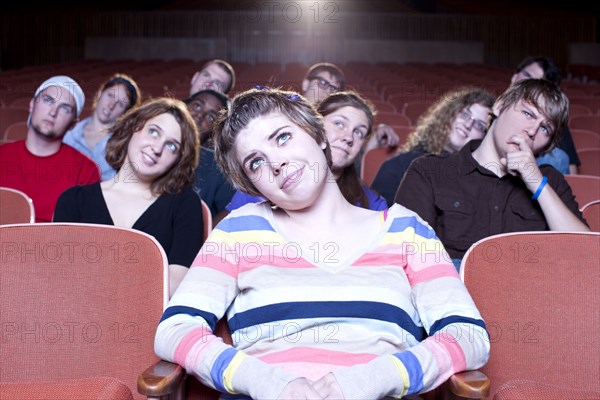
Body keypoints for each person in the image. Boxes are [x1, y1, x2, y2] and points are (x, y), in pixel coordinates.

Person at [154, 87, 490, 400]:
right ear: (253, 185)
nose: (276, 162)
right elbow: (175, 329)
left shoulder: (407, 230)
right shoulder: (238, 231)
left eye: (283, 137)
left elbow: (469, 335)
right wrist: (267, 382)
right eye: (256, 162)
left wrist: (374, 378)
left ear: (319, 137)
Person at [396, 79, 590, 267]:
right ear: (499, 106)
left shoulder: (551, 183)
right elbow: (410, 258)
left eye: (545, 128)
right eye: (528, 114)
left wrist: (538, 185)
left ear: (547, 145)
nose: (531, 131)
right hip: (448, 294)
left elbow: (585, 255)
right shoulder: (429, 171)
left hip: (524, 296)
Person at [54, 97, 203, 297]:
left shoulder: (185, 204)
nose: (157, 148)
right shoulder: (74, 200)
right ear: (134, 128)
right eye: (153, 132)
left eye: (171, 146)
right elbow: (61, 279)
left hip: (149, 322)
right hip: (78, 317)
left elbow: (175, 285)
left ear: (178, 160)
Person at [226, 90, 387, 212]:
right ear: (316, 126)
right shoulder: (264, 186)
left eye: (358, 132)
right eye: (339, 124)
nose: (348, 137)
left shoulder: (373, 204)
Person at [0, 75, 100, 222]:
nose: (53, 112)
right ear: (32, 105)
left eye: (65, 109)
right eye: (48, 101)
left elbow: (86, 233)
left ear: (73, 124)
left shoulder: (86, 171)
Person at [372, 87, 495, 206]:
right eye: (465, 114)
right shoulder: (404, 163)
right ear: (450, 113)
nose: (468, 124)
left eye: (479, 125)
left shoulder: (478, 182)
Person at [302, 62, 400, 150]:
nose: (328, 92)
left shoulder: (340, 131)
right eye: (322, 83)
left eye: (334, 89)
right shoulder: (288, 114)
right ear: (305, 84)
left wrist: (381, 130)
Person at [63, 73, 141, 180]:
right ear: (100, 93)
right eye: (110, 95)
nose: (111, 105)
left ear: (125, 113)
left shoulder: (123, 146)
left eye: (120, 104)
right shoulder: (67, 133)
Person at [511, 56, 580, 174]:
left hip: (529, 181)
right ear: (515, 75)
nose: (528, 84)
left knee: (556, 158)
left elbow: (572, 174)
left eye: (537, 84)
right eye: (527, 75)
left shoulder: (551, 123)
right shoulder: (489, 110)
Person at [184, 89, 236, 219]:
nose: (199, 115)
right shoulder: (149, 144)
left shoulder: (218, 169)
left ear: (212, 133)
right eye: (197, 105)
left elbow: (229, 214)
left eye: (210, 117)